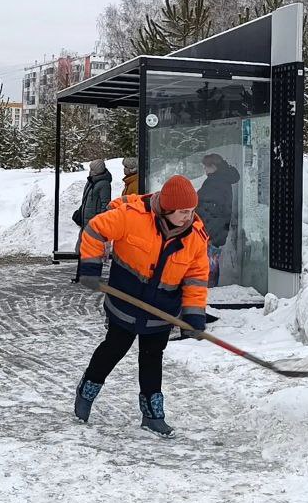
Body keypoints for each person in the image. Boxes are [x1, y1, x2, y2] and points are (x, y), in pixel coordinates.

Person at [73, 175, 210, 437]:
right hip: (125, 301)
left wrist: (193, 316)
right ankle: (86, 392)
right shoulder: (132, 217)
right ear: (167, 208)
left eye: (192, 210)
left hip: (162, 310)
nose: (189, 217)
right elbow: (94, 229)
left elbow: (196, 279)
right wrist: (90, 268)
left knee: (152, 357)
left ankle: (152, 416)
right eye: (183, 211)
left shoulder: (196, 236)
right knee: (114, 348)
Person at [197, 153, 240, 287]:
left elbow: (210, 210)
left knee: (206, 266)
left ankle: (209, 289)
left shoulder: (215, 183)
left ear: (214, 166)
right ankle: (210, 287)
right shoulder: (222, 181)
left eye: (206, 166)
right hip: (217, 231)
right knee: (212, 262)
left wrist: (206, 233)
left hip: (210, 232)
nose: (205, 169)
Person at [73, 160, 113, 280]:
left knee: (92, 249)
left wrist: (100, 222)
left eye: (92, 169)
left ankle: (90, 275)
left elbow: (105, 204)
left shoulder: (104, 184)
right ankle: (80, 274)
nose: (90, 171)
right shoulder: (91, 182)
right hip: (86, 221)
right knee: (83, 248)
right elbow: (85, 201)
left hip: (94, 222)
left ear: (97, 171)